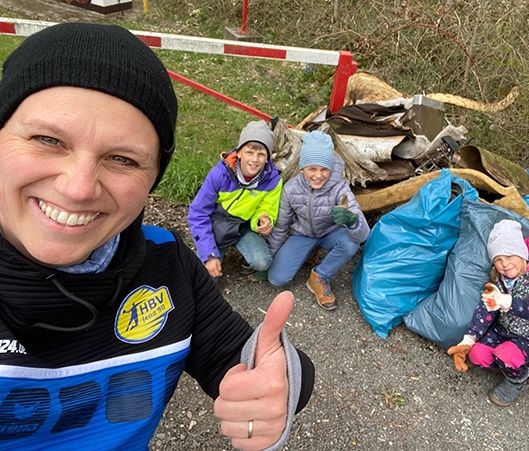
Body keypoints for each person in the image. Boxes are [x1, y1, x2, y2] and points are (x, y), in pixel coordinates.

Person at [0, 22, 313, 450]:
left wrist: (282, 383)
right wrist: (211, 248)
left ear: (152, 178)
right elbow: (200, 214)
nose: (77, 187)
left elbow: (244, 358)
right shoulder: (218, 178)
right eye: (47, 139)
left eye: (123, 159)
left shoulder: (166, 262)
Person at [447, 220, 529, 406]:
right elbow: (485, 309)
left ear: (522, 253)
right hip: (505, 330)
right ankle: (506, 363)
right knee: (477, 354)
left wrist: (507, 301)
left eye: (510, 256)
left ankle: (518, 377)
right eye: (498, 260)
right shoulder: (499, 279)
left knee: (507, 354)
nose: (505, 264)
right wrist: (469, 339)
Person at [267, 130, 369, 311]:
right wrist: (270, 257)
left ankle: (319, 276)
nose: (318, 175)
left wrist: (352, 221)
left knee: (350, 243)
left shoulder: (340, 187)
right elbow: (281, 226)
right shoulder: (291, 189)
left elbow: (363, 234)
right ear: (302, 168)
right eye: (312, 168)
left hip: (330, 232)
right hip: (303, 234)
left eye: (324, 169)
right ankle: (309, 251)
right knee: (277, 278)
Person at [188, 120, 282, 279]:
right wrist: (209, 255)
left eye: (261, 154)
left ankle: (240, 252)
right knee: (205, 278)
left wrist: (262, 220)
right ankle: (213, 251)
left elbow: (266, 209)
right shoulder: (220, 174)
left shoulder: (273, 181)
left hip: (241, 227)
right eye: (249, 152)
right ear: (239, 152)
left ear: (268, 158)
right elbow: (197, 213)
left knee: (263, 262)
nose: (254, 159)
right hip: (216, 223)